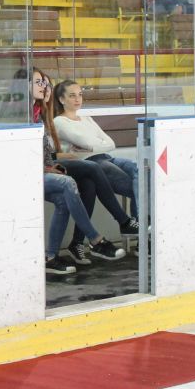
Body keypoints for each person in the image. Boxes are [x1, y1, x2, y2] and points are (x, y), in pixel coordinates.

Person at [30, 69, 123, 273]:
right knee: (83, 173)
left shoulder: (42, 114)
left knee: (86, 185)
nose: (45, 88)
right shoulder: (30, 116)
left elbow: (48, 152)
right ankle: (97, 238)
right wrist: (57, 160)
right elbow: (31, 153)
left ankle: (54, 255)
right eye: (39, 83)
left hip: (48, 167)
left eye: (47, 84)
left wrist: (55, 161)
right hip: (31, 172)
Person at [52, 79, 140, 221]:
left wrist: (93, 146)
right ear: (62, 99)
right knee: (136, 188)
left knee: (138, 171)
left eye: (80, 94)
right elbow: (86, 143)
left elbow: (111, 143)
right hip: (90, 162)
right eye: (72, 95)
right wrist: (95, 144)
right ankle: (135, 224)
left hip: (106, 157)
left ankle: (139, 223)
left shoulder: (87, 118)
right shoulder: (59, 122)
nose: (77, 99)